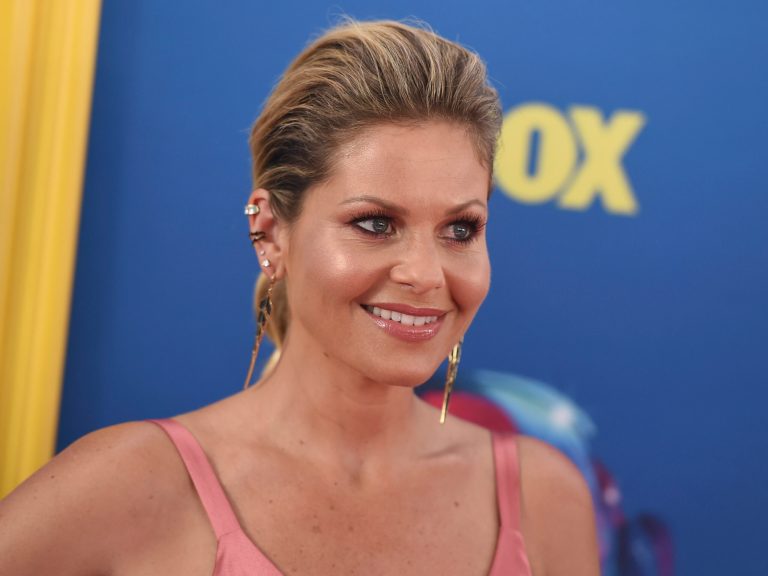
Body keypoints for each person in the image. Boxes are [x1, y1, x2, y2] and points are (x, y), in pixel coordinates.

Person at [0, 19, 599, 576]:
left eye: (460, 229)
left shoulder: (542, 497)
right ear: (270, 232)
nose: (426, 273)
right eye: (374, 223)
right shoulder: (132, 482)